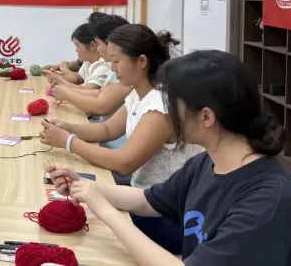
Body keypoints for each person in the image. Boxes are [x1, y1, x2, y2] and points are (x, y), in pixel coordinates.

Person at [48, 50, 291, 266]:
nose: (166, 112)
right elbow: (148, 200)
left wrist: (106, 211)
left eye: (172, 104)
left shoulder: (268, 201)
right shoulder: (207, 162)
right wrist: (86, 187)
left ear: (206, 117)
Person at [39, 24, 201, 254]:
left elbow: (124, 164)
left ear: (142, 61)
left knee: (86, 241)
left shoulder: (160, 105)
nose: (112, 68)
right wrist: (66, 128)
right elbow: (107, 130)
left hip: (166, 216)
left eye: (116, 61)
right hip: (143, 199)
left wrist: (68, 141)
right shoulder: (139, 92)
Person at [54, 15, 131, 121]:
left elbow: (100, 107)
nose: (98, 49)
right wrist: (64, 89)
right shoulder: (114, 70)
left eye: (99, 44)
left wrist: (66, 93)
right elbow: (98, 93)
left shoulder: (122, 73)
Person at [45, 23, 111, 93]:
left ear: (92, 45)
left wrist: (60, 80)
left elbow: (86, 91)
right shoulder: (88, 61)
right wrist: (57, 77)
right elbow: (77, 78)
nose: (76, 50)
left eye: (78, 46)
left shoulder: (104, 66)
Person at [44, 11, 107, 76]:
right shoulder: (87, 61)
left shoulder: (104, 64)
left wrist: (63, 68)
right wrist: (58, 67)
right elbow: (78, 68)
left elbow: (78, 78)